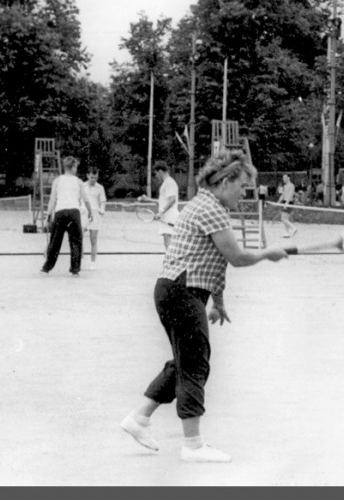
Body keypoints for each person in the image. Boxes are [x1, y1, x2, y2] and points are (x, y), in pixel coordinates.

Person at [120, 151, 288, 462]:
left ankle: (139, 418)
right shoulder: (213, 209)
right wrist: (268, 253)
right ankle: (193, 445)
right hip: (181, 291)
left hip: (176, 290)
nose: (244, 193)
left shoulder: (208, 204)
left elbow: (215, 257)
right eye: (242, 186)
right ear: (225, 182)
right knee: (195, 363)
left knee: (185, 360)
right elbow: (236, 257)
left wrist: (219, 299)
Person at [41, 156, 93, 277]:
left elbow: (52, 199)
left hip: (60, 212)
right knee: (75, 241)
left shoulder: (57, 180)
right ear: (73, 167)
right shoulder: (78, 181)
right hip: (74, 213)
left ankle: (46, 267)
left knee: (55, 241)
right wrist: (90, 212)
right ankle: (75, 269)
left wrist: (48, 215)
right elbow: (85, 199)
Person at [82, 167, 107, 270]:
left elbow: (102, 202)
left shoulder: (100, 188)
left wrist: (102, 209)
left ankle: (93, 262)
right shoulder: (82, 186)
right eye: (92, 177)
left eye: (95, 178)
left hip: (95, 214)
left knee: (93, 239)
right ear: (87, 175)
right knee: (79, 238)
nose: (93, 180)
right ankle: (81, 261)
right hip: (83, 213)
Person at [153, 161, 180, 250]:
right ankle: (171, 262)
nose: (156, 176)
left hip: (170, 216)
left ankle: (171, 263)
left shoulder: (169, 182)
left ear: (160, 171)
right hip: (167, 216)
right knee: (168, 243)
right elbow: (163, 201)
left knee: (169, 243)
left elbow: (172, 199)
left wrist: (161, 212)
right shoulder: (167, 182)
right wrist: (147, 199)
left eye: (156, 173)